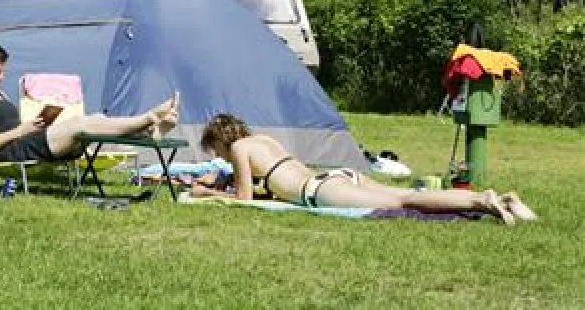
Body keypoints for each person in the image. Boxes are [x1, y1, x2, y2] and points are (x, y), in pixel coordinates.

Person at [194, 113, 538, 226]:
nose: (222, 158)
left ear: (223, 142)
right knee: (409, 194)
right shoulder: (262, 140)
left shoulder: (238, 149)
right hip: (338, 176)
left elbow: (244, 196)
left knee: (405, 203)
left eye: (218, 152)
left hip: (319, 191)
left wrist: (205, 192)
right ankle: (491, 198)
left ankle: (483, 203)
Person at [0, 39, 179, 163]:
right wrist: (20, 131)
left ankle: (148, 134)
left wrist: (36, 123)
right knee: (81, 124)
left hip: (29, 141)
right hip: (12, 151)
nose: (1, 78)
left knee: (95, 119)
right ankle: (146, 118)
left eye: (2, 72)